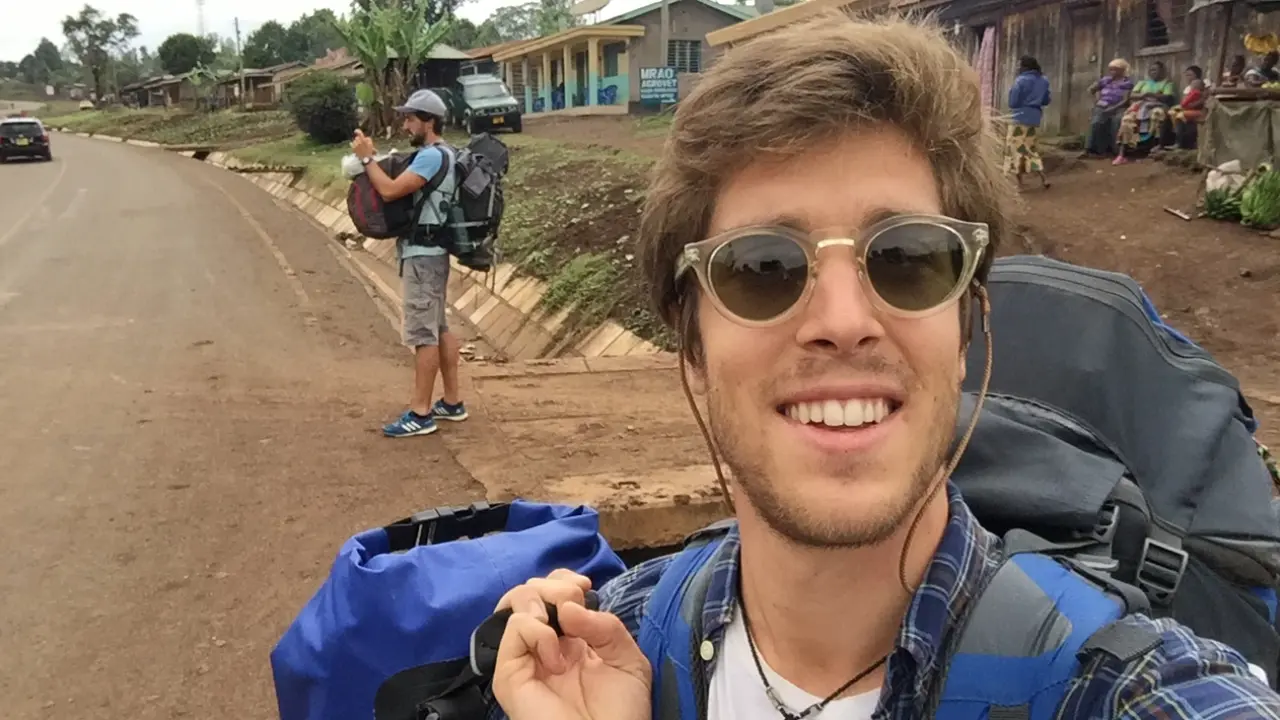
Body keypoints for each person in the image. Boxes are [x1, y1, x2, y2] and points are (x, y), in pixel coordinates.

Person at [487, 12, 1280, 720]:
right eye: (763, 268)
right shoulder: (609, 648)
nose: (843, 323)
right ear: (692, 347)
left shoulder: (1122, 687)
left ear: (966, 328)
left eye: (908, 258)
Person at [350, 89, 469, 438]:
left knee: (423, 334)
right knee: (439, 327)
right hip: (434, 252)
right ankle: (452, 402)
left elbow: (389, 190)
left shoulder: (431, 157)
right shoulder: (446, 153)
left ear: (429, 122)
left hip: (423, 255)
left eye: (411, 119)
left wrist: (368, 160)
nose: (405, 126)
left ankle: (420, 413)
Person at [1114, 60, 1177, 165]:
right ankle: (1122, 154)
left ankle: (1157, 147)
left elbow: (1167, 97)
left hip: (1156, 106)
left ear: (1162, 71)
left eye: (1155, 70)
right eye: (1151, 70)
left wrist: (1150, 95)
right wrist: (1145, 95)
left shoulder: (1167, 83)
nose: (1153, 72)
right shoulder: (1143, 83)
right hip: (1140, 106)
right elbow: (1132, 95)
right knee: (1127, 119)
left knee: (1157, 114)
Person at [1005, 55, 1051, 189]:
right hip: (1034, 118)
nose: (1017, 67)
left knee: (1015, 150)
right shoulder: (1043, 80)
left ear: (1024, 67)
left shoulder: (1020, 80)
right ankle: (1043, 178)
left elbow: (1013, 102)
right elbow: (1046, 100)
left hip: (1018, 118)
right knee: (1030, 149)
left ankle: (1018, 183)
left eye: (1019, 65)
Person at [1083, 58, 1133, 157]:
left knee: (1116, 122)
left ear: (1122, 70)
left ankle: (1114, 150)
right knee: (1096, 122)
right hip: (1102, 105)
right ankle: (1091, 149)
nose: (1112, 72)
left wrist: (1112, 108)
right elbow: (1091, 90)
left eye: (1115, 69)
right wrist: (1096, 101)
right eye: (1111, 69)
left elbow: (1125, 100)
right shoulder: (1106, 80)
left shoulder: (1127, 83)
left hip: (1119, 107)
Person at [1169, 65, 1207, 150]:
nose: (1187, 77)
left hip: (1200, 111)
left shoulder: (1202, 87)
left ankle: (1179, 142)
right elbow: (1185, 102)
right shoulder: (1189, 88)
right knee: (1172, 112)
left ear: (1196, 76)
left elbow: (1201, 102)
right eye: (1186, 75)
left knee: (1179, 116)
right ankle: (1178, 140)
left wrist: (1188, 106)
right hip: (1190, 109)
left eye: (1190, 75)